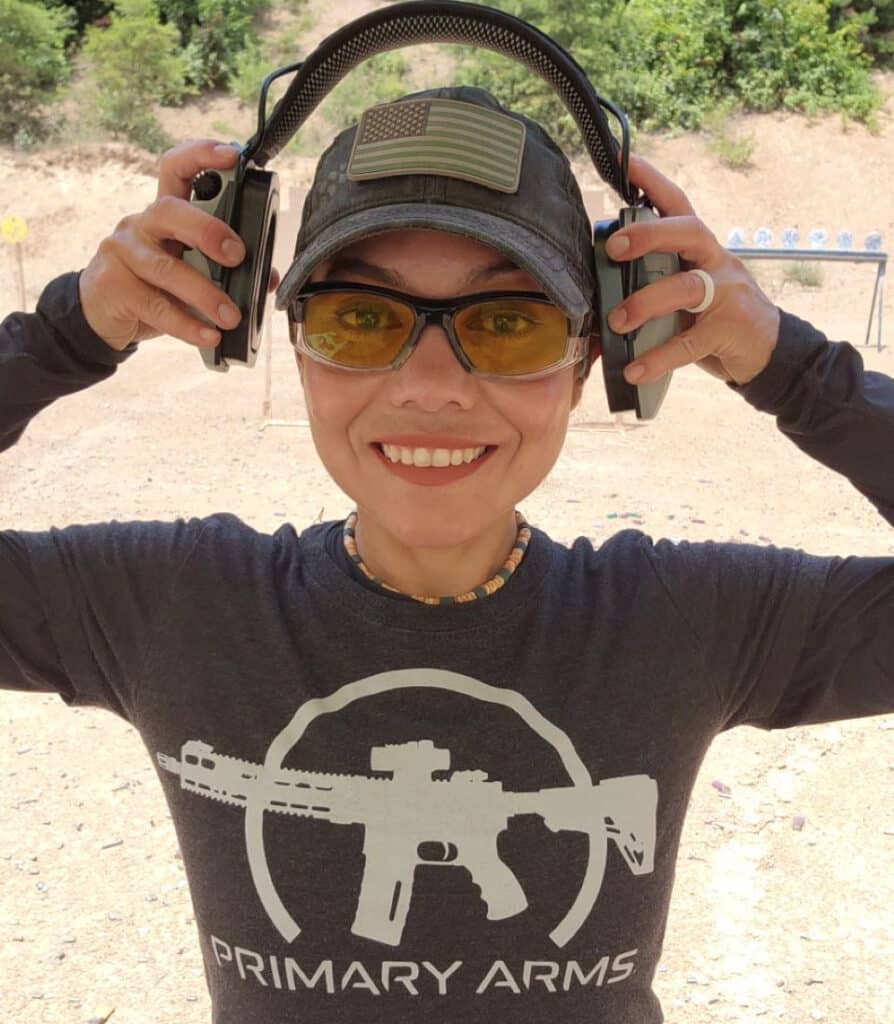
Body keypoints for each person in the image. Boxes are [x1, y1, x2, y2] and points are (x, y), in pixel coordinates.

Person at [1, 84, 891, 1024]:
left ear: (592, 364)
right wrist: (66, 334)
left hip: (467, 812)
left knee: (480, 865)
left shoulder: (674, 619)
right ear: (296, 353)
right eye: (360, 319)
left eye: (510, 325)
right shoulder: (174, 609)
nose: (430, 387)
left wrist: (791, 366)